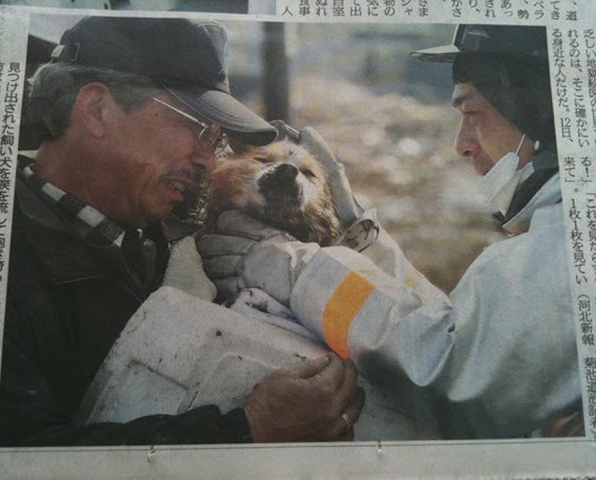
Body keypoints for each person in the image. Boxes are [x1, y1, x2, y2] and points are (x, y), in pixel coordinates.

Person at [198, 24, 583, 438]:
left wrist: (294, 268)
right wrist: (363, 244)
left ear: (540, 113)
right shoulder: (555, 237)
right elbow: (453, 330)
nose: (462, 144)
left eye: (473, 114)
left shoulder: (561, 252)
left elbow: (444, 375)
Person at [0, 16, 364, 446]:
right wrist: (247, 430)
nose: (209, 162)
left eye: (217, 141)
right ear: (96, 110)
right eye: (197, 128)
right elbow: (14, 457)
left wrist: (355, 235)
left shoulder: (179, 232)